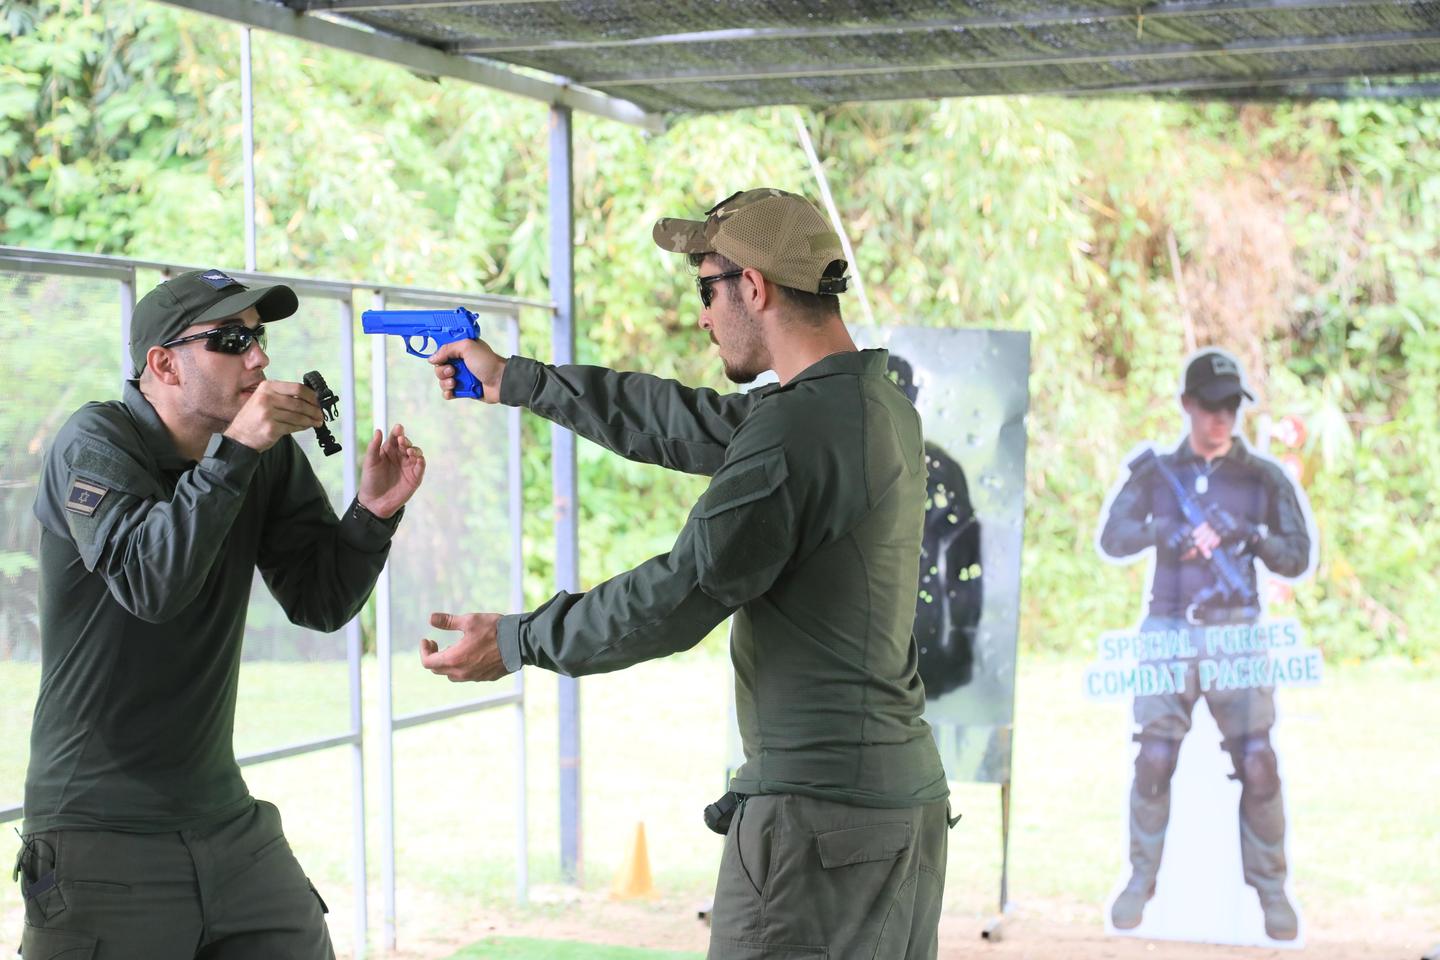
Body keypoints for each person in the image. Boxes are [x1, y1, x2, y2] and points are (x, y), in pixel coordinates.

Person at [420, 189, 953, 959]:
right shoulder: (872, 405)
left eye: (707, 288)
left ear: (756, 287)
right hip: (902, 808)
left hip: (817, 820)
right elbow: (687, 420)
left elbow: (678, 594)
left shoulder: (796, 430)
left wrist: (518, 639)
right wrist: (516, 381)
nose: (702, 314)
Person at [15, 268, 425, 959]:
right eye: (232, 339)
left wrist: (373, 514)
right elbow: (152, 584)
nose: (259, 358)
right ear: (164, 364)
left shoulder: (256, 455)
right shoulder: (96, 442)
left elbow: (320, 599)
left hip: (227, 820)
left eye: (260, 339)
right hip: (98, 830)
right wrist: (236, 453)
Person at [1098, 349, 1312, 940]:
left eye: (1231, 408)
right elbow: (1113, 538)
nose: (1222, 418)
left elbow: (1298, 557)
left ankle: (1271, 890)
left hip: (1236, 630)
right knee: (1154, 760)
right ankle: (1141, 879)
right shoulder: (1155, 474)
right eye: (1211, 407)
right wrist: (1163, 532)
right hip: (1167, 627)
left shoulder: (1263, 477)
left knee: (1259, 762)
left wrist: (1251, 535)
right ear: (1187, 405)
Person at [886, 354, 983, 697]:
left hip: (919, 617)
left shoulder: (938, 467)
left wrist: (962, 635)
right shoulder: (838, 458)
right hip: (857, 621)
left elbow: (966, 559)